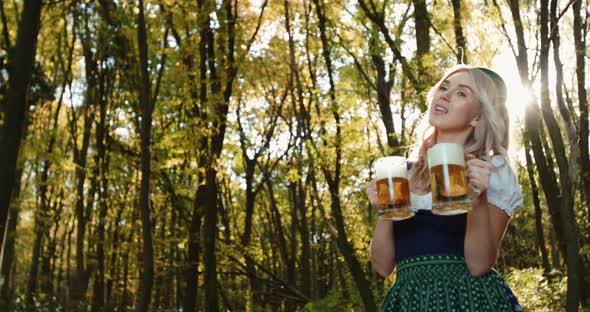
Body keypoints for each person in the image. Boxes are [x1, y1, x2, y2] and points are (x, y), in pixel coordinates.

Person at [366, 65, 524, 311]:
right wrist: (386, 210)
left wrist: (477, 200)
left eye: (462, 93)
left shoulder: (490, 169)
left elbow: (479, 265)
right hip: (409, 301)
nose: (445, 95)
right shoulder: (401, 174)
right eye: (444, 87)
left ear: (478, 117)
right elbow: (383, 266)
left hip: (469, 299)